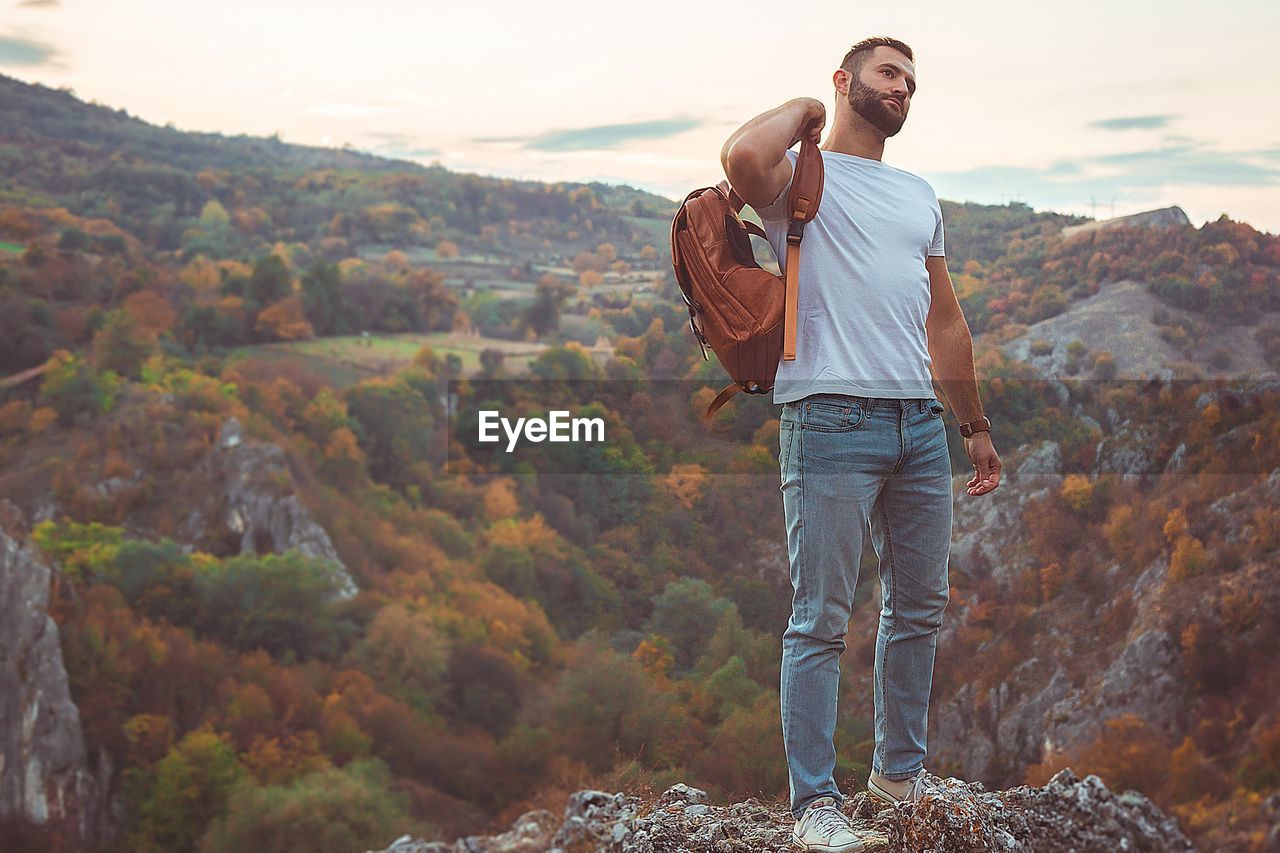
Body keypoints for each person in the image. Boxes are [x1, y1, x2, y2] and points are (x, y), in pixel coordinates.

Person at [720, 36, 1002, 852]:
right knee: (820, 620)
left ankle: (896, 779)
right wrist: (808, 112)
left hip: (919, 423)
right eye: (889, 74)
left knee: (919, 608)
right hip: (829, 419)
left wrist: (973, 425)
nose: (904, 89)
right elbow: (741, 154)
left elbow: (944, 322)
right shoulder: (798, 177)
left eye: (913, 82)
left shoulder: (919, 194)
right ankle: (815, 806)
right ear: (846, 82)